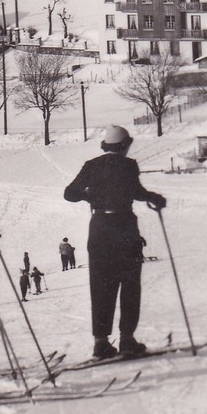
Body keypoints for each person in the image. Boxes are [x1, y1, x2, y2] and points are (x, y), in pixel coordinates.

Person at [63, 124, 166, 360]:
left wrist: (91, 196)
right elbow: (137, 191)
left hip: (99, 229)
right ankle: (127, 339)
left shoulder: (91, 165)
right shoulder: (128, 165)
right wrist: (154, 198)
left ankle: (101, 343)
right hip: (125, 228)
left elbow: (69, 194)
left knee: (101, 285)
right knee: (129, 284)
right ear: (124, 146)